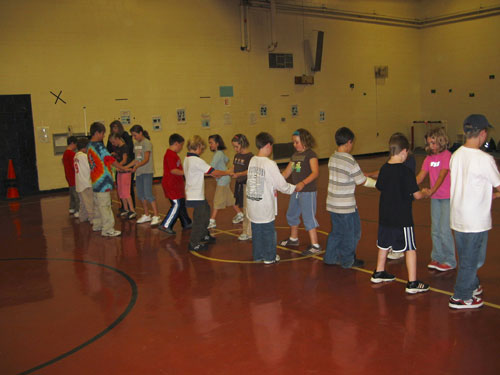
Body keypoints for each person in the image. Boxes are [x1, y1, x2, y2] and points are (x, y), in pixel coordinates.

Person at [448, 114, 500, 309]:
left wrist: (489, 194)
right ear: (483, 134)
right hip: (475, 220)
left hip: (458, 216)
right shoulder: (484, 159)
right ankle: (461, 296)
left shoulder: (456, 155)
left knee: (466, 256)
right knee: (473, 259)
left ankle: (472, 284)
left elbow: (469, 184)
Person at [371, 133, 430, 294]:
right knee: (410, 248)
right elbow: (416, 195)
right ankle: (412, 282)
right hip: (403, 218)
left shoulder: (384, 169)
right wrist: (425, 192)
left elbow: (380, 186)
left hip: (385, 216)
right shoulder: (406, 172)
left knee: (383, 245)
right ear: (404, 152)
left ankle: (379, 271)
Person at [324, 127, 375, 268]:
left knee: (336, 232)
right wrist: (378, 184)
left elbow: (350, 175)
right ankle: (348, 261)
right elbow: (362, 181)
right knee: (352, 233)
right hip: (346, 206)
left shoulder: (332, 157)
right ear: (348, 142)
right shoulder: (349, 160)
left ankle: (330, 257)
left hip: (332, 204)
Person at [246, 132, 297, 264]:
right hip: (264, 204)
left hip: (252, 203)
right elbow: (281, 184)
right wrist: (293, 188)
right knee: (268, 231)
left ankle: (258, 255)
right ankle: (269, 257)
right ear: (268, 145)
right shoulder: (269, 163)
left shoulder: (252, 160)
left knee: (257, 231)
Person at [416, 127, 455, 272]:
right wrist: (407, 185)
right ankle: (437, 257)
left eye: (434, 143)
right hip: (435, 199)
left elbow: (442, 175)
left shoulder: (447, 156)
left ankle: (449, 260)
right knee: (435, 229)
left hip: (447, 198)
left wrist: (431, 190)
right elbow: (420, 177)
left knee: (445, 229)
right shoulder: (428, 159)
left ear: (441, 141)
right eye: (429, 143)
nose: (431, 146)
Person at [280, 129, 321, 255]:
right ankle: (293, 238)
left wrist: (303, 183)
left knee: (308, 216)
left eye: (297, 142)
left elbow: (315, 172)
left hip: (308, 191)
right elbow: (287, 172)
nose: (294, 145)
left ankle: (315, 245)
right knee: (292, 214)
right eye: (293, 142)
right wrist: (276, 181)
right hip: (296, 191)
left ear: (305, 141)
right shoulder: (295, 156)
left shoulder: (311, 155)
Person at [184, 135, 228, 251]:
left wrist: (216, 173)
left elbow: (202, 173)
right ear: (198, 146)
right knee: (200, 219)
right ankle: (194, 243)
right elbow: (214, 171)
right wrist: (227, 172)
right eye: (201, 148)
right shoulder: (197, 160)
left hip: (192, 193)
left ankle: (204, 234)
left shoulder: (187, 159)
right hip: (196, 195)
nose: (202, 150)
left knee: (206, 210)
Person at [87, 122, 128, 237]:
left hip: (95, 180)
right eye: (103, 133)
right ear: (97, 133)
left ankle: (98, 224)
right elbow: (109, 159)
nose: (104, 136)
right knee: (105, 205)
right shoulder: (98, 146)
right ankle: (108, 229)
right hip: (103, 181)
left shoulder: (89, 145)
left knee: (97, 205)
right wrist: (122, 167)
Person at [126, 124, 161, 226]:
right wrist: (126, 167)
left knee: (148, 194)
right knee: (141, 194)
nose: (134, 137)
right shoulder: (136, 144)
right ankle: (146, 215)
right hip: (139, 173)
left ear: (140, 133)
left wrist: (136, 166)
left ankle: (156, 215)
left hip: (147, 172)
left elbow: (146, 159)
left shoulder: (147, 143)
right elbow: (136, 159)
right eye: (133, 135)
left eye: (135, 135)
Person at [159, 133, 192, 235]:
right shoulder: (170, 155)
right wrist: (186, 172)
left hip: (177, 185)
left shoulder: (174, 155)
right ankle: (165, 225)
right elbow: (173, 170)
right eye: (181, 145)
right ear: (176, 143)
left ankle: (186, 222)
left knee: (181, 204)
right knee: (176, 205)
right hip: (171, 185)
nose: (181, 148)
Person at [207, 134, 240, 229]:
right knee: (230, 198)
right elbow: (226, 159)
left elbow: (211, 167)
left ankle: (212, 220)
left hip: (222, 179)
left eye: (211, 143)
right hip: (225, 178)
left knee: (217, 200)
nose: (210, 145)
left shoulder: (218, 154)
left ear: (217, 143)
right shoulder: (220, 153)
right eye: (209, 143)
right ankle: (240, 214)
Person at [106, 120, 135, 212]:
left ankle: (131, 208)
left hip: (125, 168)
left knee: (127, 190)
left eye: (115, 127)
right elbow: (109, 150)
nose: (114, 129)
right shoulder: (114, 142)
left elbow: (126, 156)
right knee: (121, 189)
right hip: (120, 168)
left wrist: (120, 165)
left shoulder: (125, 140)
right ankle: (125, 207)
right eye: (112, 128)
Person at [230, 134, 253, 241]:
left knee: (247, 208)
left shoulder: (250, 157)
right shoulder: (237, 156)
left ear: (242, 144)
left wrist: (239, 174)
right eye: (234, 147)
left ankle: (247, 232)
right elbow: (233, 167)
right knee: (243, 207)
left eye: (236, 146)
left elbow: (250, 170)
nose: (235, 149)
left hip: (247, 184)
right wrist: (225, 172)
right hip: (239, 184)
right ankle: (247, 231)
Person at [109, 133, 136, 219]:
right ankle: (125, 209)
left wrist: (118, 166)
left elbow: (124, 160)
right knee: (120, 191)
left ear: (117, 139)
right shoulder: (118, 148)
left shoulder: (124, 147)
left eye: (113, 142)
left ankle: (132, 210)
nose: (113, 144)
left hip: (125, 172)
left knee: (126, 192)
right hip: (120, 171)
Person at [73, 137, 94, 223]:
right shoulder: (84, 156)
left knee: (83, 203)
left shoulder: (76, 156)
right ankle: (93, 220)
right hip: (86, 183)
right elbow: (90, 167)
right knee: (90, 203)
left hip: (79, 183)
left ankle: (83, 217)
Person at [62, 136, 79, 217]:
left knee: (72, 193)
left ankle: (71, 208)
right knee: (76, 195)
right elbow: (74, 166)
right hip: (73, 177)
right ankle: (77, 211)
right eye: (75, 144)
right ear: (72, 143)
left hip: (68, 176)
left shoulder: (65, 153)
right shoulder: (72, 154)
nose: (76, 146)